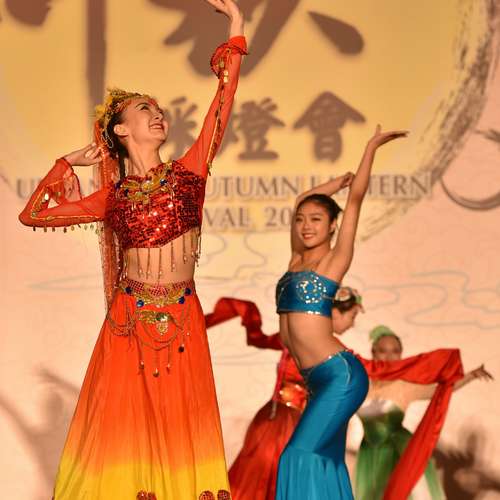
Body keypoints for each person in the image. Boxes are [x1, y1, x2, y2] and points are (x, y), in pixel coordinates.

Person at [18, 1, 246, 498]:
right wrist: (64, 164)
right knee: (126, 432)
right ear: (120, 130)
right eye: (144, 109)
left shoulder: (190, 171)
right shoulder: (111, 197)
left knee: (180, 428)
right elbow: (33, 215)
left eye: (158, 110)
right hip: (128, 323)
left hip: (181, 319)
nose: (157, 114)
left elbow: (222, 102)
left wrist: (236, 30)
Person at [275, 125, 407, 499]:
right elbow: (303, 199)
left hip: (340, 376)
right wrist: (334, 184)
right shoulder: (296, 258)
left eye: (316, 219)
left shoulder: (333, 261)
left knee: (297, 454)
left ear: (332, 225)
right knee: (327, 461)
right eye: (301, 219)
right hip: (316, 381)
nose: (306, 226)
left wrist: (370, 149)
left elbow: (356, 200)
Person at [208, 288, 363, 500]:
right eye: (352, 316)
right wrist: (247, 314)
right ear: (335, 312)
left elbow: (260, 340)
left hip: (282, 419)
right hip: (282, 421)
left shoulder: (306, 340)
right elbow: (260, 339)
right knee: (267, 476)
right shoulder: (330, 353)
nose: (352, 324)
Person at [356, 325, 493, 500]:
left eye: (395, 351)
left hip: (400, 451)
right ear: (373, 352)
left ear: (401, 355)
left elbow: (441, 390)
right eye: (383, 351)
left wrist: (471, 376)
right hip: (369, 451)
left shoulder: (404, 385)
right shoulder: (360, 384)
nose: (389, 357)